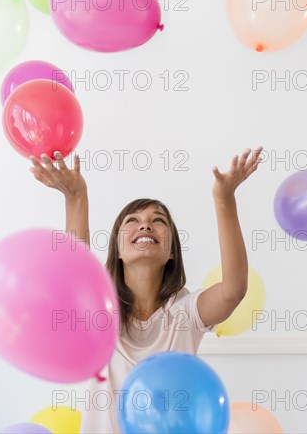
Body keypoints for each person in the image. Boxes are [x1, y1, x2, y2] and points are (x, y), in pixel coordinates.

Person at [29, 147, 263, 433]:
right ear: (117, 249)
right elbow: (76, 277)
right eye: (133, 220)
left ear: (171, 253)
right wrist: (76, 198)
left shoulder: (186, 312)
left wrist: (224, 200)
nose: (146, 225)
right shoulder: (101, 312)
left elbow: (233, 290)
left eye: (158, 220)